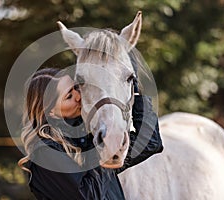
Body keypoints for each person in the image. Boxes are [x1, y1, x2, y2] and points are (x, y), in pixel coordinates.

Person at [18, 67, 163, 200]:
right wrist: (104, 155)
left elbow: (150, 143)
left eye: (76, 88)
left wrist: (133, 90)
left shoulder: (86, 140)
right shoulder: (46, 154)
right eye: (69, 96)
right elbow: (88, 196)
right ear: (51, 112)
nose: (78, 96)